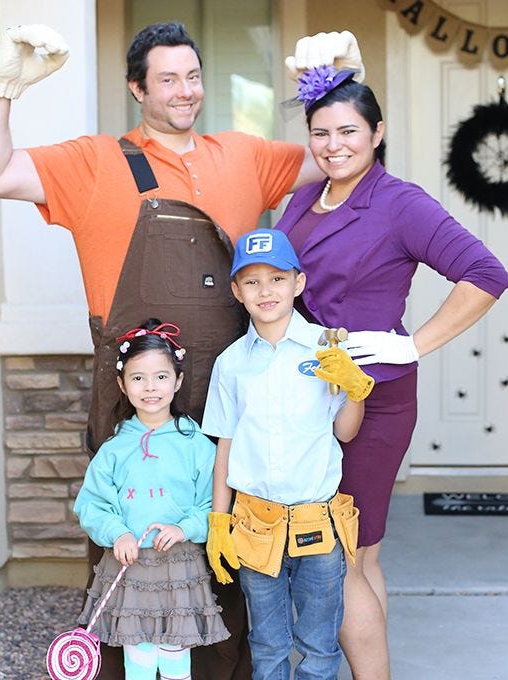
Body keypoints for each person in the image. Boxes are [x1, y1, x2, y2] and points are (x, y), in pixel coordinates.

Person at [0, 22, 361, 680]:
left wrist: (345, 80)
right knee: (136, 540)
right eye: (168, 79)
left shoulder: (244, 154)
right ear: (136, 88)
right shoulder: (93, 161)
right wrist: (1, 88)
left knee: (230, 539)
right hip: (137, 395)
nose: (186, 91)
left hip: (234, 383)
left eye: (193, 76)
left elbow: (342, 153)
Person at [274, 66, 508, 679]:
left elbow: (486, 276)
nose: (334, 145)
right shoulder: (304, 198)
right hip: (305, 396)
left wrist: (412, 346)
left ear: (376, 133)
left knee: (343, 553)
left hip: (370, 399)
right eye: (320, 132)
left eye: (348, 130)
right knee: (362, 556)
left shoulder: (400, 203)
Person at [201, 228, 374, 680]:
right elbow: (226, 444)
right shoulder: (231, 362)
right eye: (253, 282)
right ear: (237, 291)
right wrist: (219, 521)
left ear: (298, 283)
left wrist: (355, 390)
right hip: (256, 526)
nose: (266, 291)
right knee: (268, 645)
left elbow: (347, 433)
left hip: (319, 526)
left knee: (319, 647)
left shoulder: (327, 348)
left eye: (277, 278)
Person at [73, 319, 228, 680]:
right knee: (139, 659)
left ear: (178, 380)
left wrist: (184, 526)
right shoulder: (114, 449)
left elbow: (215, 506)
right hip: (130, 569)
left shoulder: (196, 446)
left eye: (161, 376)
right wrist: (118, 533)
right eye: (138, 377)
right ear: (122, 384)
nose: (150, 387)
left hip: (178, 568)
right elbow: (91, 505)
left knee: (175, 657)